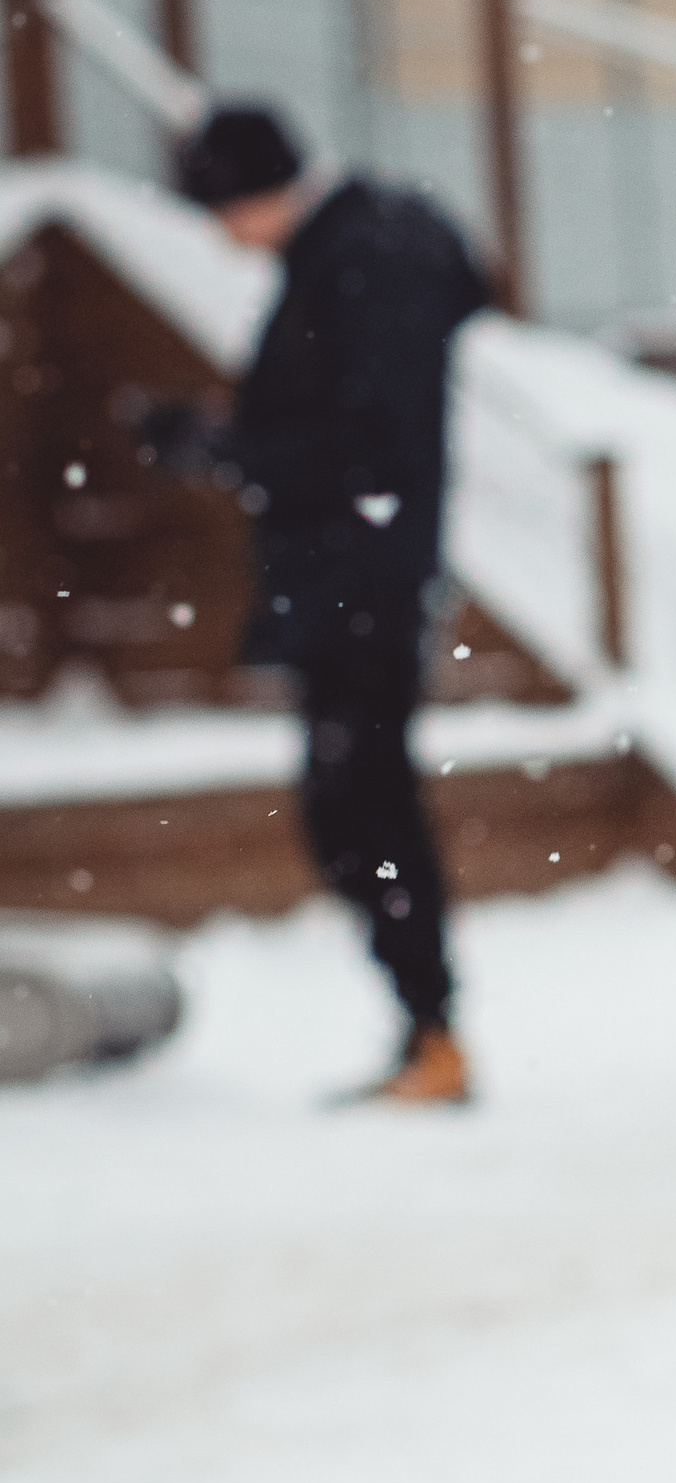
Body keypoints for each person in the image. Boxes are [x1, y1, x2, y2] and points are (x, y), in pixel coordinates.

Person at [168, 102, 489, 1102]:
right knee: (355, 805)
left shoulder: (358, 258)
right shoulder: (353, 251)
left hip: (362, 583)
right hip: (355, 577)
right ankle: (425, 1028)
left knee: (361, 806)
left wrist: (221, 447)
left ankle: (432, 1029)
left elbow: (362, 440)